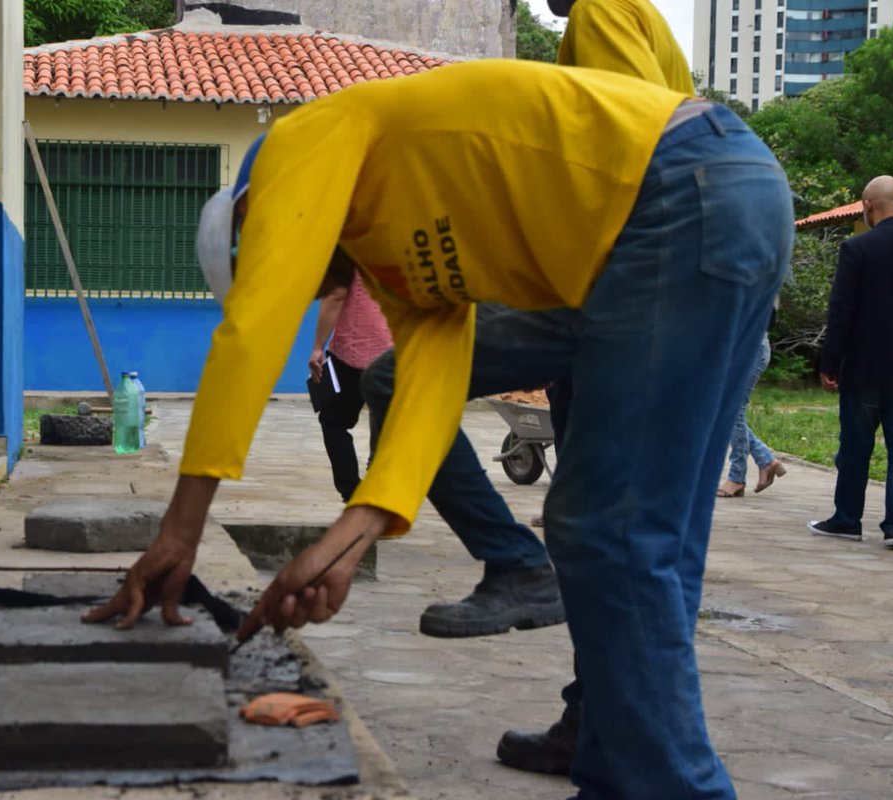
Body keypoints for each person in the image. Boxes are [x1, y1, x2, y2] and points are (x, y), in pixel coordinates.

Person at [84, 58, 792, 800]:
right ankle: (619, 772)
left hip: (677, 196)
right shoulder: (393, 253)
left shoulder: (306, 137)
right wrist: (349, 536)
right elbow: (432, 379)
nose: (320, 286)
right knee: (650, 539)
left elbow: (252, 329)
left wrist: (181, 527)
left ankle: (678, 788)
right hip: (693, 214)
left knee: (611, 532)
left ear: (253, 217)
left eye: (303, 269)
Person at [359, 0, 700, 777]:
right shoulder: (625, 15)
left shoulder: (602, 7)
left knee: (395, 379)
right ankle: (593, 719)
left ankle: (515, 562)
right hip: (643, 283)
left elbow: (628, 149)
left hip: (622, 284)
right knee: (606, 531)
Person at [808, 175, 893, 548]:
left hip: (864, 366)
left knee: (855, 447)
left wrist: (829, 362)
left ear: (867, 205)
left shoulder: (857, 248)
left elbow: (841, 311)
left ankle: (847, 519)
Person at [309, 273, 393, 501]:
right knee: (388, 428)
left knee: (333, 422)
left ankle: (353, 492)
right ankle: (383, 497)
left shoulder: (350, 248)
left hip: (354, 353)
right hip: (397, 352)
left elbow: (336, 295)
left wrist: (318, 346)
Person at [716, 331, 788, 498]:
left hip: (748, 348)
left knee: (732, 409)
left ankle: (737, 477)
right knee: (724, 411)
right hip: (738, 348)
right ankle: (767, 461)